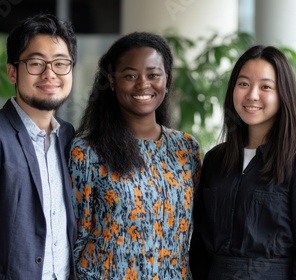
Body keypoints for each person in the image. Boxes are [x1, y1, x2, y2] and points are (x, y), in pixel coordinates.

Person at [0, 13, 77, 279]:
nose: (50, 73)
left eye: (60, 63)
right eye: (35, 63)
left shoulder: (68, 136)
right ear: (12, 72)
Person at [69, 32, 201, 279]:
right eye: (130, 76)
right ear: (112, 81)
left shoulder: (186, 149)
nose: (143, 84)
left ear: (167, 79)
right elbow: (77, 236)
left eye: (153, 75)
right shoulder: (86, 152)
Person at [189, 45, 296, 279]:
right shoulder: (214, 160)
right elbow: (200, 248)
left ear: (283, 94)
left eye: (265, 87)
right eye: (243, 84)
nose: (252, 95)